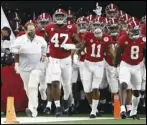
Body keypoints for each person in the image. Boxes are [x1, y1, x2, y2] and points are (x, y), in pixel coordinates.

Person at [10, 22, 47, 117]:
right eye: (30, 30)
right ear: (25, 30)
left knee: (32, 85)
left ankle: (32, 109)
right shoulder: (20, 39)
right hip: (24, 67)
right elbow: (12, 48)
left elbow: (45, 47)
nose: (32, 32)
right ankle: (33, 107)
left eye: (33, 30)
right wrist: (18, 51)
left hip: (37, 66)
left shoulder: (40, 39)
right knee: (27, 88)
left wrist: (43, 55)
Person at [115, 20, 146, 119]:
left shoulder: (143, 39)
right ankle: (122, 109)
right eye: (133, 31)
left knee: (137, 91)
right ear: (129, 30)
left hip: (138, 66)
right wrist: (116, 65)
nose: (135, 33)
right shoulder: (123, 38)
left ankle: (133, 112)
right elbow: (118, 53)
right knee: (123, 84)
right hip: (126, 65)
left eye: (137, 31)